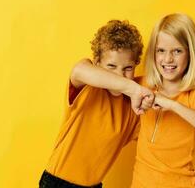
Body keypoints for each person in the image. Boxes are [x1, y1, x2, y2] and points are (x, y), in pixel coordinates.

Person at [39, 20, 154, 188]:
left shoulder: (132, 104)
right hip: (58, 183)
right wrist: (131, 87)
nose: (120, 75)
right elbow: (79, 70)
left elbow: (165, 84)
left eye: (127, 68)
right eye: (111, 66)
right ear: (97, 63)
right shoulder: (89, 87)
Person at [131, 13, 195, 188]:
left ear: (191, 53)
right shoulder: (143, 85)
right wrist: (133, 91)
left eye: (177, 51)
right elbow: (97, 77)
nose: (168, 59)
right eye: (161, 50)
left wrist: (173, 105)